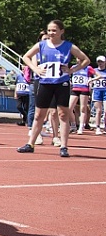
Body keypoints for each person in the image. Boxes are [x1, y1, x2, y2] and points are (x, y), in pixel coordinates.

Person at [17, 20, 90, 157]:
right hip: (45, 83)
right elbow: (26, 57)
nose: (51, 33)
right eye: (49, 30)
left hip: (61, 83)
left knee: (63, 114)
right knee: (39, 114)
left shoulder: (69, 46)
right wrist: (35, 68)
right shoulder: (41, 45)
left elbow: (85, 59)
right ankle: (30, 143)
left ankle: (63, 146)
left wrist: (72, 70)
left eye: (54, 30)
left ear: (61, 31)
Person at [70, 62, 95, 134]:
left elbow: (98, 75)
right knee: (69, 108)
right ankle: (73, 125)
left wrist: (91, 80)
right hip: (75, 89)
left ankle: (81, 127)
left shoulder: (88, 68)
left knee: (83, 108)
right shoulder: (73, 67)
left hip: (84, 89)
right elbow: (68, 74)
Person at [91, 56, 106, 135]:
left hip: (105, 91)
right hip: (97, 91)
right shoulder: (94, 70)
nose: (100, 63)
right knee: (98, 111)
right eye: (99, 62)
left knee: (105, 110)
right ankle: (98, 127)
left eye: (102, 62)